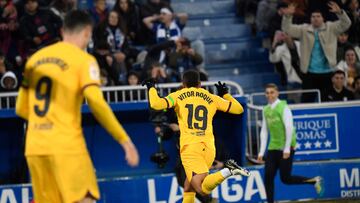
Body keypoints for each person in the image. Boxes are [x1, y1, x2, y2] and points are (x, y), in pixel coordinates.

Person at [15, 10, 139, 203]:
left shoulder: (35, 60)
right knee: (85, 199)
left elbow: (21, 108)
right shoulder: (84, 60)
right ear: (88, 33)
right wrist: (125, 140)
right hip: (66, 145)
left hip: (35, 147)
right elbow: (96, 102)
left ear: (63, 31)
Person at [143, 70, 250, 203]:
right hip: (209, 148)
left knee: (201, 188)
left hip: (191, 148)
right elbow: (239, 109)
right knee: (188, 187)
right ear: (200, 84)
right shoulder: (210, 97)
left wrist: (151, 88)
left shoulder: (178, 95)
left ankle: (228, 170)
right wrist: (225, 94)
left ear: (183, 84)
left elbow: (155, 104)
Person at [257, 83, 324, 203]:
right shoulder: (265, 109)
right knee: (268, 177)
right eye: (267, 93)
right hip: (273, 148)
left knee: (286, 179)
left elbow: (289, 127)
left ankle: (314, 181)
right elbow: (264, 131)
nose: (269, 95)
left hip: (286, 148)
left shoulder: (284, 107)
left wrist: (287, 149)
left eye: (272, 92)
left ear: (277, 93)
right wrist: (261, 152)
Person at [282, 2, 351, 102]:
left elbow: (347, 24)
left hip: (328, 72)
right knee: (306, 102)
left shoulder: (331, 28)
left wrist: (340, 13)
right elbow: (287, 29)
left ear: (323, 18)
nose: (315, 18)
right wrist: (288, 16)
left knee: (327, 102)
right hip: (309, 73)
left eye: (318, 16)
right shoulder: (303, 29)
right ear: (310, 19)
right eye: (313, 16)